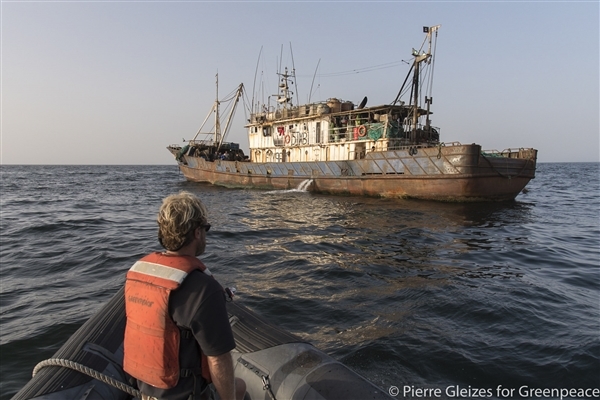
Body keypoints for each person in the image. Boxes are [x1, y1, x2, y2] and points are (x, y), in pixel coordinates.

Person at [123, 191, 247, 400]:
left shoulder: (137, 273)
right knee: (240, 386)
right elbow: (218, 360)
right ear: (197, 232)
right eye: (205, 229)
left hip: (146, 391)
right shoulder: (204, 289)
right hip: (186, 394)